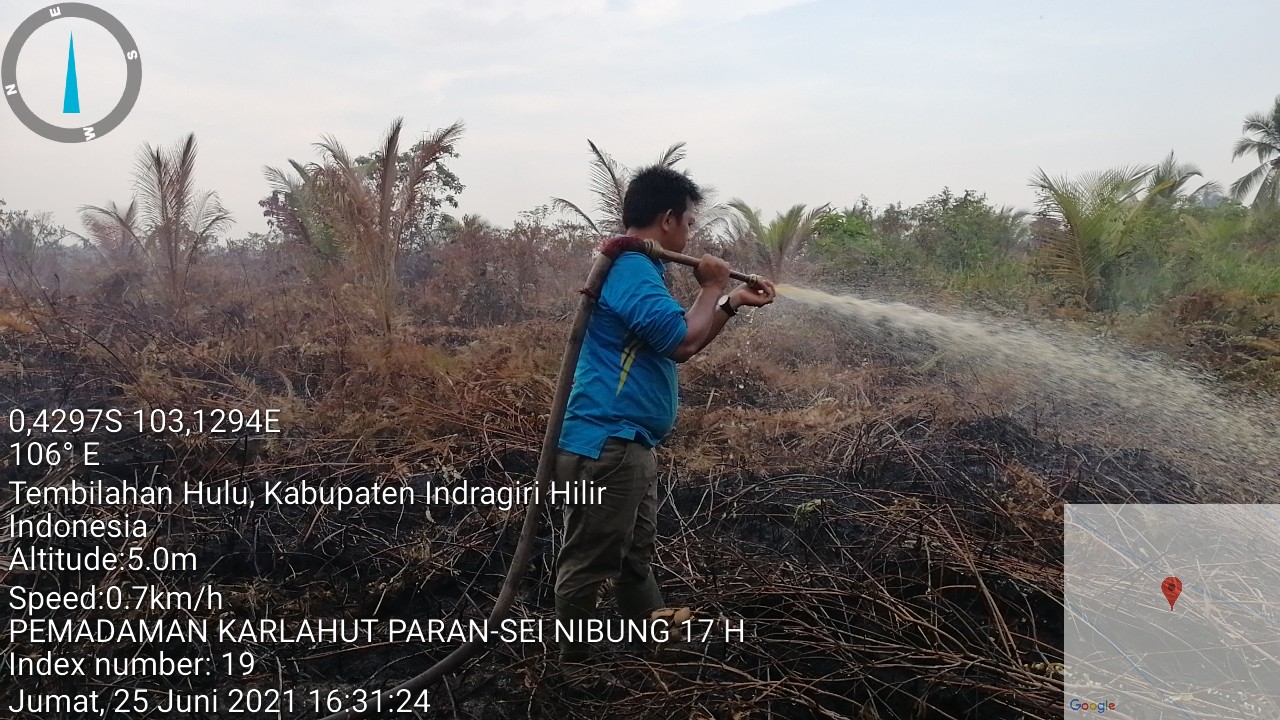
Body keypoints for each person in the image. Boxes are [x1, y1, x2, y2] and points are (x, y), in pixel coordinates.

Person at [552, 164, 777, 664]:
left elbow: (678, 333)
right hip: (606, 445)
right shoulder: (630, 270)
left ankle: (654, 652)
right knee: (589, 562)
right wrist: (709, 287)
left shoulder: (642, 270)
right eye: (690, 223)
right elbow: (681, 343)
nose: (692, 234)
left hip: (628, 444)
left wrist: (731, 300)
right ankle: (574, 671)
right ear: (669, 218)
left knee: (634, 558)